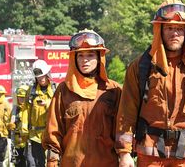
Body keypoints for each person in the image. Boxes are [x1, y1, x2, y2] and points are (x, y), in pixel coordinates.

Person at [115, 0, 185, 167]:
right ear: (159, 30)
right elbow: (126, 113)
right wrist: (124, 153)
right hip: (150, 156)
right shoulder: (140, 67)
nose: (175, 33)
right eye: (169, 28)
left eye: (179, 28)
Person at [42, 29, 122, 167]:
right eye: (80, 56)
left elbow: (123, 131)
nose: (85, 60)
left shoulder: (113, 90)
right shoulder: (63, 91)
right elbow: (53, 132)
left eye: (90, 55)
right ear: (74, 59)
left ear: (99, 58)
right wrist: (52, 162)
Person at [24, 59, 56, 167]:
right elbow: (25, 110)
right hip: (35, 135)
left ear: (48, 74)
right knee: (38, 162)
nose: (41, 79)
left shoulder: (56, 90)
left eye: (42, 76)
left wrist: (47, 104)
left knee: (53, 162)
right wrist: (24, 129)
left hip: (52, 133)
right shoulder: (31, 92)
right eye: (38, 77)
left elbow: (60, 108)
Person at [9, 85, 30, 167]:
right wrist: (10, 125)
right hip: (17, 141)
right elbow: (10, 121)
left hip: (27, 141)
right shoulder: (15, 109)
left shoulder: (29, 109)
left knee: (28, 162)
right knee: (18, 163)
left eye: (23, 97)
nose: (21, 99)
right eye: (19, 97)